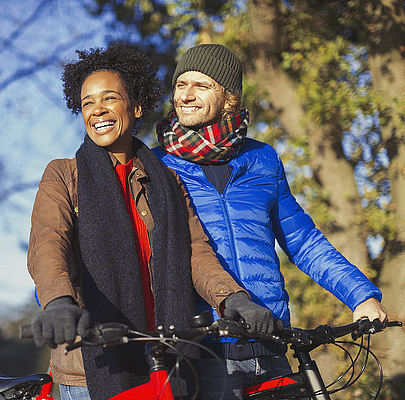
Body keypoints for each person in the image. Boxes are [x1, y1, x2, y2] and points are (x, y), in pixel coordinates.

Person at [27, 43, 269, 400]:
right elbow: (48, 243)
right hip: (90, 365)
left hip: (165, 357)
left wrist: (232, 298)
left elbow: (196, 254)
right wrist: (59, 302)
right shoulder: (64, 174)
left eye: (109, 98)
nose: (98, 111)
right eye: (87, 103)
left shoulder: (167, 180)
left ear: (136, 106)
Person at [153, 43, 389, 399]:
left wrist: (360, 296)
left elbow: (303, 242)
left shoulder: (263, 160)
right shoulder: (157, 168)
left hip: (271, 339)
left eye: (201, 86)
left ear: (230, 98)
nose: (185, 95)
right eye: (180, 85)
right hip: (204, 349)